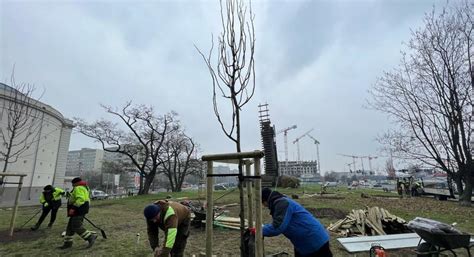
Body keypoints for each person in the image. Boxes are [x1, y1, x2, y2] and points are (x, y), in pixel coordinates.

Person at [261, 188, 332, 257]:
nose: (264, 206)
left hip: (313, 240)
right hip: (304, 243)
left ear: (265, 201)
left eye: (262, 203)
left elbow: (277, 227)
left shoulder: (282, 203)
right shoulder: (280, 201)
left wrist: (259, 230)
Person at [58, 177, 97, 249]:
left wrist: (73, 208)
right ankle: (68, 243)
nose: (72, 185)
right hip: (80, 209)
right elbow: (76, 197)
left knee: (76, 226)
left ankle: (90, 237)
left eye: (72, 184)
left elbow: (80, 199)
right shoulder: (83, 187)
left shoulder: (78, 188)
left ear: (75, 183)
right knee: (70, 227)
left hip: (79, 209)